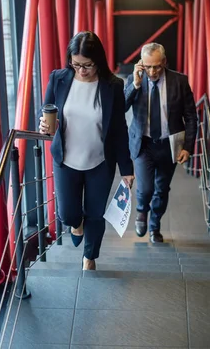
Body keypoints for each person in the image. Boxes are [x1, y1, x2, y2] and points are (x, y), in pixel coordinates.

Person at [39, 31, 135, 271]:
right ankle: (75, 224)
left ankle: (89, 257)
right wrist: (43, 125)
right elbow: (46, 110)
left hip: (100, 162)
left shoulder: (113, 86)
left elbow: (119, 129)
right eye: (76, 64)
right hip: (66, 159)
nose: (81, 70)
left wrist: (127, 168)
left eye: (87, 65)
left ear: (98, 61)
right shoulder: (59, 78)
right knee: (67, 214)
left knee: (95, 213)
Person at [124, 42, 197, 243]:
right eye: (147, 66)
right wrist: (136, 84)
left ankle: (155, 226)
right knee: (145, 188)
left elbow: (191, 116)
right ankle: (141, 212)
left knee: (162, 189)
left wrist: (188, 147)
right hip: (143, 144)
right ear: (141, 64)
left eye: (156, 66)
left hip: (169, 145)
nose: (152, 71)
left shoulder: (179, 81)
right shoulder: (134, 79)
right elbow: (121, 106)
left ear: (164, 62)